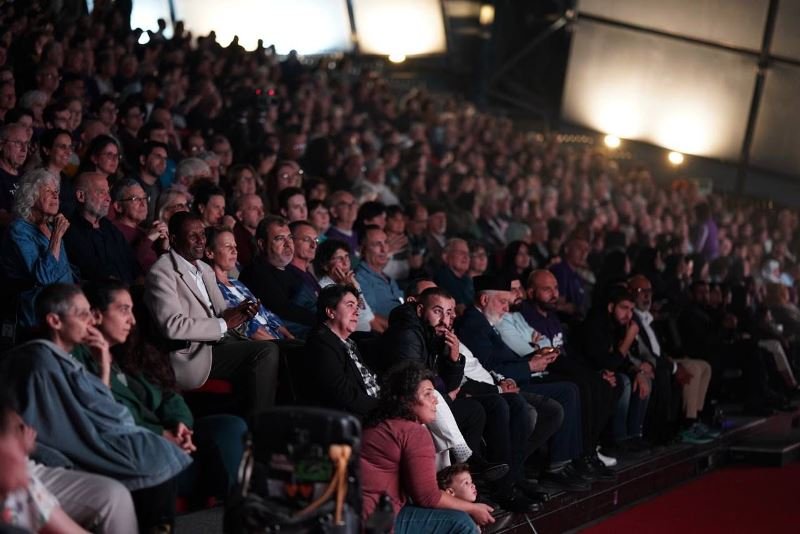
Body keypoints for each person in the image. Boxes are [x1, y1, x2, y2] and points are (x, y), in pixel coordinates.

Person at [0, 284, 190, 531]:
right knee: (150, 455)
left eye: (90, 312)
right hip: (51, 454)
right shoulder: (40, 362)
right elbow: (71, 425)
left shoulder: (67, 357)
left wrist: (104, 366)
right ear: (55, 321)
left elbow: (101, 406)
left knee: (153, 450)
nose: (91, 320)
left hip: (96, 435)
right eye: (82, 315)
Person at [78, 280, 249, 506]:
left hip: (169, 435)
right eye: (123, 310)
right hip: (136, 447)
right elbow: (106, 418)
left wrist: (180, 424)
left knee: (231, 426)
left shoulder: (134, 351)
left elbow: (169, 395)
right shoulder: (79, 361)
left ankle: (233, 503)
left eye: (132, 310)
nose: (132, 319)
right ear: (96, 315)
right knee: (210, 463)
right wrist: (160, 434)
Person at [144, 211, 280, 422]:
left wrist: (240, 313)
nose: (200, 241)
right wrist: (224, 323)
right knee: (265, 351)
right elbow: (172, 326)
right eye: (193, 236)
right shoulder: (162, 273)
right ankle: (260, 429)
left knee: (289, 348)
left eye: (202, 235)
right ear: (173, 239)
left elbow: (220, 313)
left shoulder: (204, 269)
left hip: (221, 342)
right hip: (194, 353)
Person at [360, 361, 494, 533]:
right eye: (428, 394)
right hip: (369, 520)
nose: (436, 399)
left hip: (352, 513)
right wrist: (473, 509)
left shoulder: (384, 423)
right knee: (461, 523)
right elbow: (427, 497)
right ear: (405, 400)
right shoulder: (412, 432)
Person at [628, 275, 716, 444]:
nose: (647, 296)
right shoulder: (632, 318)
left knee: (704, 366)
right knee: (693, 369)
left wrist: (673, 363)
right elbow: (645, 354)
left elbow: (659, 350)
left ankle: (694, 419)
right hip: (650, 363)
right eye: (641, 291)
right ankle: (688, 424)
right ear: (631, 293)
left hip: (662, 358)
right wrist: (674, 367)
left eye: (649, 291)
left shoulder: (648, 318)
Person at [578, 285, 653, 448]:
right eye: (624, 308)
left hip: (606, 369)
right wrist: (629, 338)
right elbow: (607, 363)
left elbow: (622, 361)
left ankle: (634, 435)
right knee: (624, 382)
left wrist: (638, 371)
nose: (628, 314)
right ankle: (618, 439)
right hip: (589, 373)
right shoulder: (595, 323)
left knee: (642, 379)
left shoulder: (617, 324)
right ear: (611, 306)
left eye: (631, 310)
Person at [1, 169, 75, 328]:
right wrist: (56, 237)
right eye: (48, 191)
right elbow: (44, 277)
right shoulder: (19, 229)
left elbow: (64, 272)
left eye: (56, 192)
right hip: (37, 316)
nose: (56, 196)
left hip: (64, 308)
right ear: (30, 196)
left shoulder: (51, 226)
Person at [301, 284, 381, 416]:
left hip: (376, 409)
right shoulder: (320, 343)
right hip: (356, 419)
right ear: (331, 312)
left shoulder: (349, 343)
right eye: (350, 305)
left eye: (357, 306)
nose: (357, 312)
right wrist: (385, 408)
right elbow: (343, 394)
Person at [205, 226, 293, 341]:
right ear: (210, 252)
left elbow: (265, 313)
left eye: (235, 246)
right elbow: (247, 327)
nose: (234, 251)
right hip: (264, 345)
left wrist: (291, 338)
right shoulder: (214, 287)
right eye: (228, 246)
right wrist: (281, 345)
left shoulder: (236, 283)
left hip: (277, 338)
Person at [239, 215, 316, 337]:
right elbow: (282, 311)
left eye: (289, 237)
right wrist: (323, 320)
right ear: (262, 244)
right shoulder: (255, 273)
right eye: (280, 239)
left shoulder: (291, 270)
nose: (288, 244)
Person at [63, 172, 139, 284]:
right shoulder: (70, 232)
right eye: (101, 192)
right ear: (81, 196)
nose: (108, 198)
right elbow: (96, 276)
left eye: (108, 192)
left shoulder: (110, 228)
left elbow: (135, 267)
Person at [314, 238, 383, 333]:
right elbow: (339, 324)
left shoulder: (352, 281)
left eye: (346, 256)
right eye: (339, 258)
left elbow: (368, 317)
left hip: (368, 334)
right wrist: (346, 290)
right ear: (325, 265)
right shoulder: (323, 288)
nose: (345, 262)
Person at [110, 179, 169, 273]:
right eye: (135, 199)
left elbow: (164, 268)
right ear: (118, 206)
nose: (143, 204)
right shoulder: (111, 232)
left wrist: (164, 247)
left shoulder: (144, 232)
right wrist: (149, 239)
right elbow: (128, 268)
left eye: (145, 198)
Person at [355, 225, 404, 318]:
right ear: (362, 249)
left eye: (385, 242)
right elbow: (371, 319)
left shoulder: (387, 278)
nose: (384, 249)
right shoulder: (360, 279)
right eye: (376, 244)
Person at [434, 238, 475, 312]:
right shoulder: (443, 277)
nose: (466, 257)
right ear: (445, 256)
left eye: (468, 254)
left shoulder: (467, 280)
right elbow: (460, 309)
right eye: (461, 253)